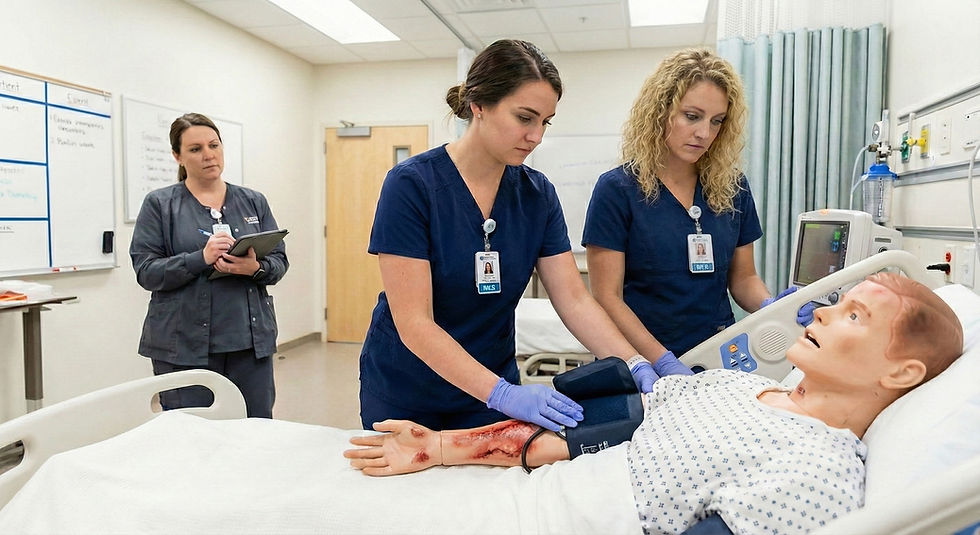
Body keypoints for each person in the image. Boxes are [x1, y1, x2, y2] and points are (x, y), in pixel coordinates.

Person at [345, 272, 963, 534]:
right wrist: (443, 447)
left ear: (902, 372)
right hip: (540, 489)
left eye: (854, 314)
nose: (823, 308)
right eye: (839, 299)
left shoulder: (816, 470)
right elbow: (605, 425)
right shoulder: (740, 386)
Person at [358, 39, 675, 434]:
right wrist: (503, 394)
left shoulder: (536, 194)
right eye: (525, 117)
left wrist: (633, 362)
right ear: (479, 105)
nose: (536, 135)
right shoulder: (412, 185)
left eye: (546, 121)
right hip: (409, 385)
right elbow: (414, 323)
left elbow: (574, 299)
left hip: (492, 379)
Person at [582, 48, 813, 379]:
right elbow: (607, 297)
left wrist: (773, 306)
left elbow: (744, 278)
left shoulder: (732, 187)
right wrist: (660, 360)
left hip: (721, 355)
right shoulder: (617, 190)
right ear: (660, 112)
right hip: (640, 364)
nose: (704, 133)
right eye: (692, 116)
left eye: (716, 121)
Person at [130, 113, 288, 418]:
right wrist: (199, 259)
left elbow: (279, 261)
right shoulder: (160, 205)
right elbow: (146, 271)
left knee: (255, 429)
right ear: (177, 156)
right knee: (192, 434)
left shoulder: (253, 201)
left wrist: (253, 268)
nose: (208, 155)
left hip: (249, 343)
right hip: (183, 346)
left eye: (214, 145)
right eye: (195, 149)